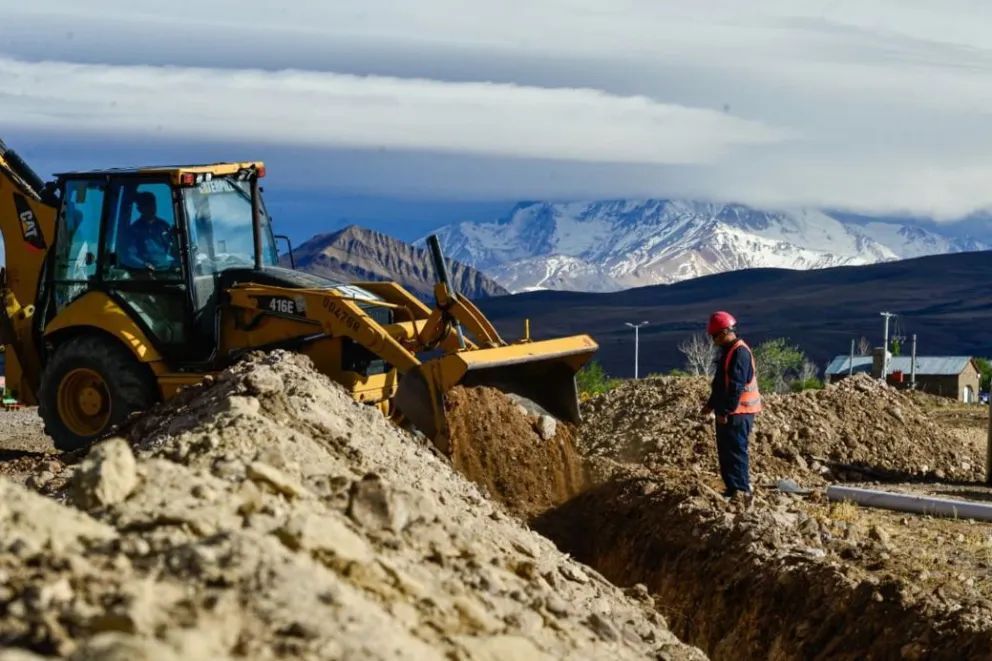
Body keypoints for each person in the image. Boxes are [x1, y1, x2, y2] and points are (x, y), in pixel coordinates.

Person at [700, 310, 762, 500]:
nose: (713, 341)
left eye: (714, 336)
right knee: (726, 452)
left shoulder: (740, 352)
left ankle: (741, 490)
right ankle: (731, 488)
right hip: (730, 412)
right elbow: (720, 383)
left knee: (735, 451)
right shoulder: (728, 352)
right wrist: (711, 405)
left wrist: (726, 411)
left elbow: (736, 386)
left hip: (739, 413)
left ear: (725, 332)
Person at [123, 192, 178, 271]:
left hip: (167, 270)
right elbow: (129, 254)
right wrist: (144, 265)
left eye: (153, 204)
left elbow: (172, 248)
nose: (152, 208)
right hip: (146, 274)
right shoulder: (135, 230)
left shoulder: (163, 225)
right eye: (147, 205)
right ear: (140, 209)